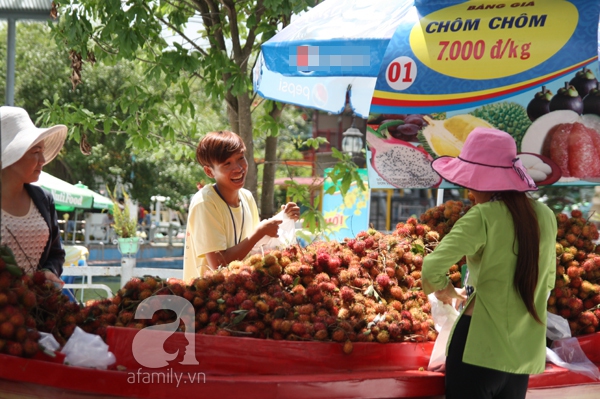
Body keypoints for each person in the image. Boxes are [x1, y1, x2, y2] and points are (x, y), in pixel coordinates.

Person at [421, 127, 557, 399]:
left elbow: (431, 267)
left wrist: (445, 291)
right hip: (521, 354)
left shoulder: (483, 216)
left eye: (470, 180)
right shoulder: (545, 215)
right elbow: (549, 280)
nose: (469, 189)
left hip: (477, 349)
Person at [183, 130, 300, 282]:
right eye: (227, 164)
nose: (238, 168)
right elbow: (218, 264)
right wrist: (260, 232)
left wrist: (282, 219)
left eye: (240, 158)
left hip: (240, 293)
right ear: (209, 171)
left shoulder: (247, 197)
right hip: (208, 298)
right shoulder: (205, 203)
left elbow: (253, 248)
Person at [1, 106, 68, 286]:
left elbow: (55, 253)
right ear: (8, 157)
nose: (43, 160)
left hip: (35, 308)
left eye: (42, 152)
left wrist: (48, 272)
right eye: (35, 152)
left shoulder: (44, 200)